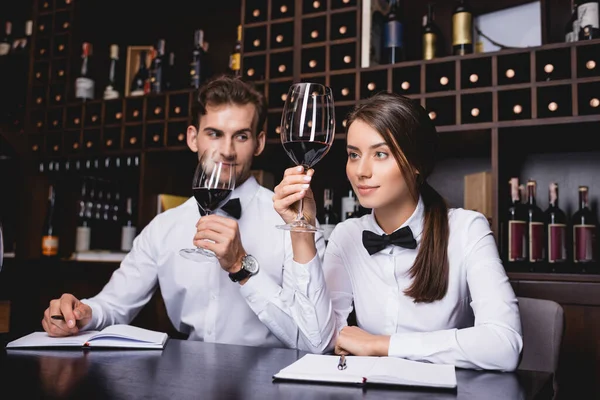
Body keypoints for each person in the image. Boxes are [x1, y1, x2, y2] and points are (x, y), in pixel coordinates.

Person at [41, 74, 327, 349]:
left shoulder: (295, 223)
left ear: (259, 143)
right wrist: (80, 313)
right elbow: (114, 305)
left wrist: (241, 264)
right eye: (214, 134)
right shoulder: (164, 226)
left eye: (240, 136)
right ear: (193, 138)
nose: (226, 150)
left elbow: (312, 338)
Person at [272, 91, 523, 371]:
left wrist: (380, 344)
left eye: (381, 154)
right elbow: (318, 344)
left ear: (416, 163)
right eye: (354, 155)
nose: (361, 171)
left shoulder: (467, 229)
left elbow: (504, 345)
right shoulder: (347, 235)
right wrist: (301, 230)